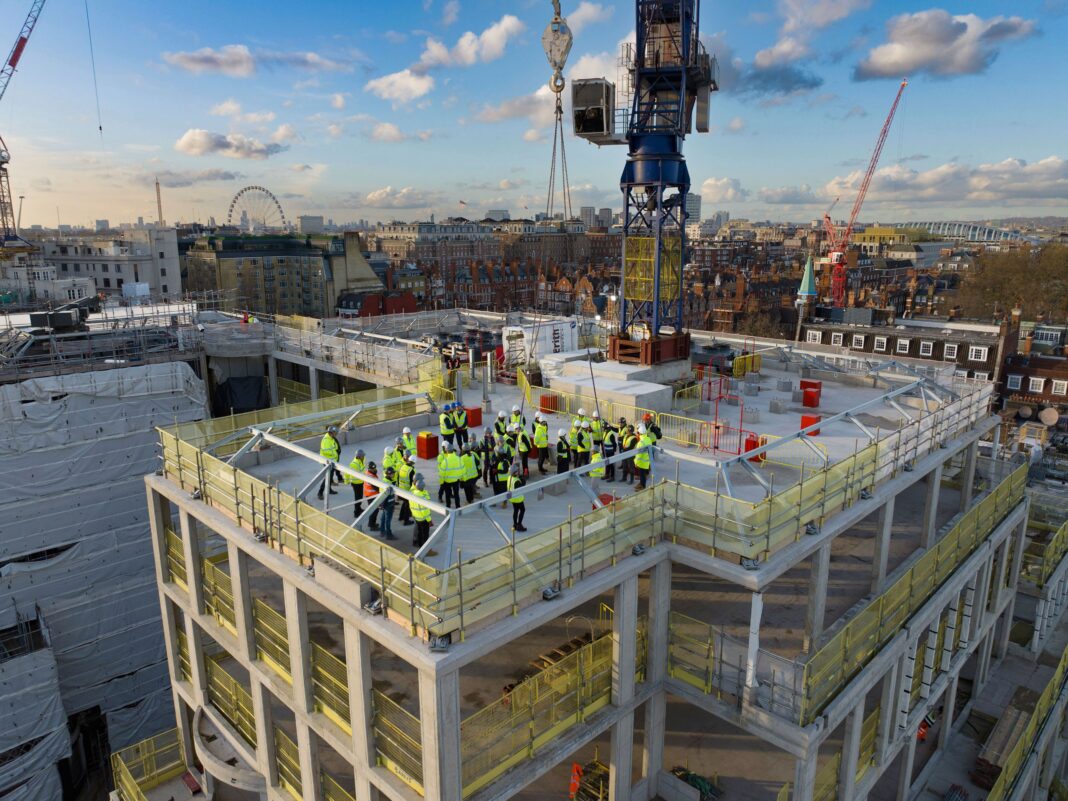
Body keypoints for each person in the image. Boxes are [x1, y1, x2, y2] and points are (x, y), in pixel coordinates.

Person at [317, 425, 342, 499]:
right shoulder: (326, 440)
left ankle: (329, 490)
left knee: (330, 477)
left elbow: (335, 447)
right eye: (335, 433)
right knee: (327, 478)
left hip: (332, 461)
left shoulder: (331, 438)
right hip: (328, 462)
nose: (336, 434)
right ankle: (320, 493)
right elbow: (327, 451)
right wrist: (336, 453)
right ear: (332, 432)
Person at [410, 475, 432, 549]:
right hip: (423, 518)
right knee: (425, 534)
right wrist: (429, 520)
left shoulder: (413, 493)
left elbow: (411, 506)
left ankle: (419, 544)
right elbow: (425, 510)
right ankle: (424, 548)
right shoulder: (422, 496)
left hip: (417, 517)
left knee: (419, 532)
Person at [346, 448, 366, 519]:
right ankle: (356, 512)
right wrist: (347, 481)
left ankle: (359, 508)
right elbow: (347, 472)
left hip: (360, 482)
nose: (364, 457)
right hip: (356, 483)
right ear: (359, 456)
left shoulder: (361, 461)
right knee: (357, 497)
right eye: (363, 456)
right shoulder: (354, 464)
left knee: (360, 497)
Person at [441, 441, 462, 509]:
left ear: (446, 451)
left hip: (447, 481)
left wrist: (441, 482)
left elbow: (442, 473)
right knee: (456, 494)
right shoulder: (458, 459)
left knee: (447, 494)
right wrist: (461, 478)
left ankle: (448, 506)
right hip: (456, 480)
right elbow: (462, 469)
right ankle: (458, 506)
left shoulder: (445, 461)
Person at [379, 467, 398, 541]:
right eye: (393, 473)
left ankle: (382, 531)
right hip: (388, 504)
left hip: (384, 504)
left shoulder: (385, 480)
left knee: (383, 518)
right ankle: (388, 534)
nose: (394, 474)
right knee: (388, 520)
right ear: (390, 474)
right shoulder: (388, 484)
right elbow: (389, 495)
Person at [507, 463, 527, 532]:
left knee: (515, 511)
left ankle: (515, 525)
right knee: (522, 510)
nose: (519, 471)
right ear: (515, 472)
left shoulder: (510, 477)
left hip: (512, 498)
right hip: (518, 499)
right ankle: (519, 525)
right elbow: (522, 486)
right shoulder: (517, 481)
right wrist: (523, 478)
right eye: (518, 471)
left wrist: (520, 477)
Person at [397, 451, 415, 525]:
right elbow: (412, 483)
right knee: (407, 506)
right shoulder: (411, 470)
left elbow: (398, 478)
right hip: (407, 491)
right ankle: (406, 521)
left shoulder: (402, 466)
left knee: (404, 503)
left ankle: (401, 517)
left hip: (401, 489)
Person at [634, 425, 653, 490]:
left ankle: (642, 486)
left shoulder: (640, 443)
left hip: (641, 462)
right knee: (643, 474)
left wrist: (636, 462)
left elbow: (638, 455)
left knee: (642, 474)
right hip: (647, 461)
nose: (637, 434)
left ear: (639, 433)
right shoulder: (648, 439)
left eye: (637, 433)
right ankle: (641, 483)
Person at [363, 462, 381, 530]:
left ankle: (371, 523)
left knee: (373, 510)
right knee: (374, 510)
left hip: (369, 494)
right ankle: (372, 526)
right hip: (371, 495)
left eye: (375, 468)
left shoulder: (368, 472)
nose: (374, 469)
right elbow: (376, 487)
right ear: (369, 469)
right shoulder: (371, 477)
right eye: (373, 469)